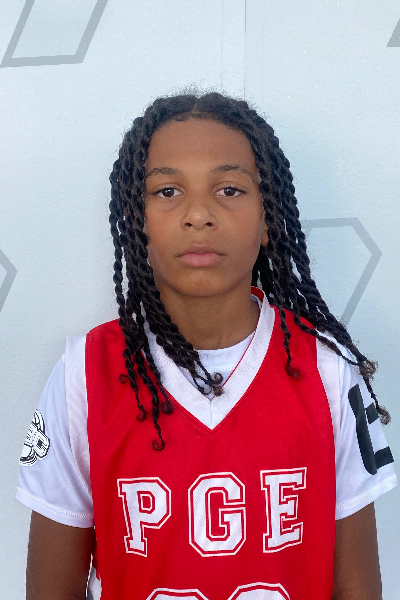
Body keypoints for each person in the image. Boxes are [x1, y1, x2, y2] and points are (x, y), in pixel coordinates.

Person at [17, 91, 396, 600]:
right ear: (137, 219)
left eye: (230, 189)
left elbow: (357, 586)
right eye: (168, 190)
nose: (198, 214)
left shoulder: (327, 370)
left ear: (268, 218)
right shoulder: (83, 375)